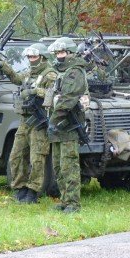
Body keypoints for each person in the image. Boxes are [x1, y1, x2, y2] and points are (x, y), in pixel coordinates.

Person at [0, 43, 57, 204]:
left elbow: (54, 93)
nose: (31, 59)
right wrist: (5, 67)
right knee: (16, 156)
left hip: (39, 122)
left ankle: (33, 191)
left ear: (42, 57)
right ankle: (20, 188)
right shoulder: (30, 73)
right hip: (24, 120)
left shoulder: (50, 74)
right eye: (29, 57)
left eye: (34, 57)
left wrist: (35, 91)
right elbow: (17, 79)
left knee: (37, 158)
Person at [47, 37, 87, 214]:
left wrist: (53, 120)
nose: (59, 56)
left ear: (70, 53)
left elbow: (67, 99)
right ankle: (64, 200)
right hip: (57, 127)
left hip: (68, 126)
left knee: (69, 166)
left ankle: (73, 203)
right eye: (57, 53)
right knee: (57, 166)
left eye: (62, 52)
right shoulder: (59, 71)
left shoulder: (75, 72)